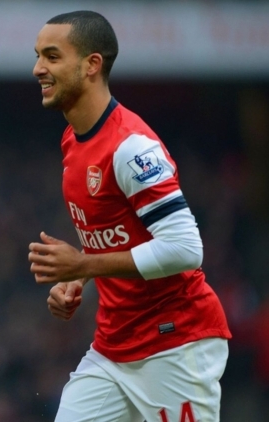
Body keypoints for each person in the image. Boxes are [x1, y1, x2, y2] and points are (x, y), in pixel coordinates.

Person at [28, 10, 231, 422]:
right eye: (38, 56)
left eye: (52, 56)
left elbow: (185, 249)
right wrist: (78, 278)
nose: (38, 69)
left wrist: (83, 265)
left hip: (175, 341)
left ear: (92, 64)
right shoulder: (73, 140)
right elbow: (115, 234)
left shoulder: (132, 148)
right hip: (114, 346)